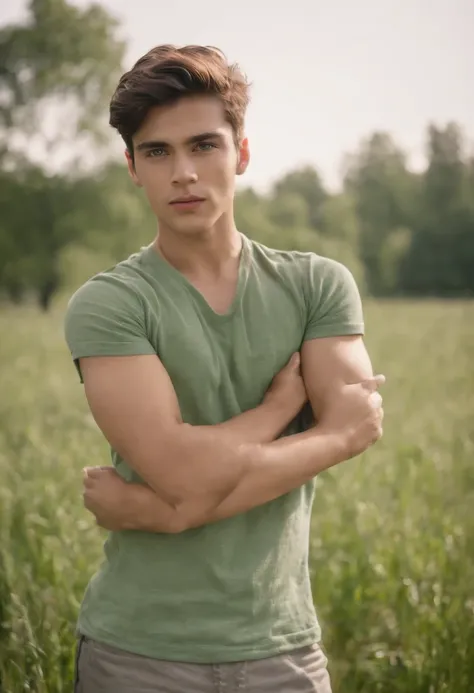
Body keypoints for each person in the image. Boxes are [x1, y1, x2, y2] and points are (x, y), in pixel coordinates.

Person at [65, 44, 385, 693]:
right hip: (137, 653)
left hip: (283, 648)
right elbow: (180, 473)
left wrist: (166, 511)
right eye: (157, 151)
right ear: (132, 166)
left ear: (241, 152)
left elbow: (182, 489)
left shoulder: (319, 287)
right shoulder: (110, 304)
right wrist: (319, 432)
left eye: (203, 145)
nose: (183, 171)